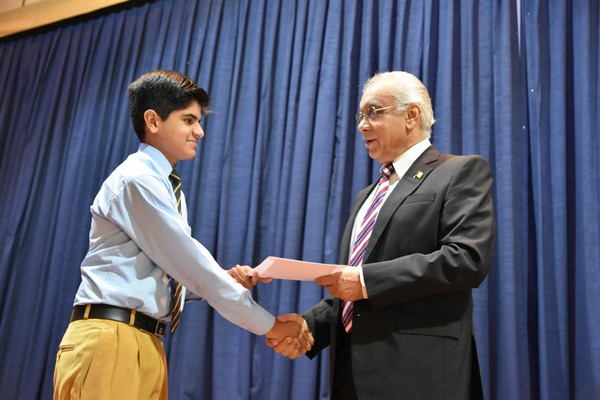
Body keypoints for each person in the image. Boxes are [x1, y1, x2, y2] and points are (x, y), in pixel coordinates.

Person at [53, 70, 312, 400]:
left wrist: (222, 278)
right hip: (112, 340)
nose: (199, 132)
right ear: (153, 121)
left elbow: (164, 271)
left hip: (143, 339)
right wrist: (271, 325)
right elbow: (190, 263)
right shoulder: (138, 179)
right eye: (188, 120)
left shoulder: (163, 184)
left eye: (198, 121)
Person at [267, 71, 495, 399]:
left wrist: (364, 281)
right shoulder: (366, 196)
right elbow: (354, 288)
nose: (362, 125)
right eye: (360, 116)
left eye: (374, 113)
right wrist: (310, 326)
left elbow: (466, 260)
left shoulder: (458, 172)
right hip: (350, 376)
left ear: (411, 115)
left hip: (419, 375)